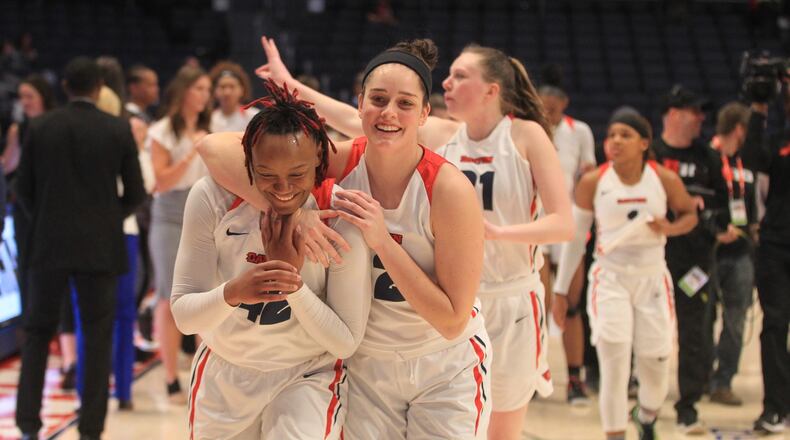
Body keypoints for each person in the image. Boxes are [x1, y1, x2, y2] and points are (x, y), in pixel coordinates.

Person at [224, 36, 573, 440]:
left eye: (406, 103)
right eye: (378, 99)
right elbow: (217, 149)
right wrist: (295, 208)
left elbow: (450, 320)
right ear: (360, 105)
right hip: (368, 365)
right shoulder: (341, 159)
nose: (389, 112)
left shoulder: (451, 186)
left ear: (424, 114)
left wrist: (382, 241)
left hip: (445, 362)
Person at [172, 79, 370, 439]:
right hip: (225, 370)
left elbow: (345, 342)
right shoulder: (211, 197)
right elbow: (184, 316)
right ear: (247, 163)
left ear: (319, 166)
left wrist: (291, 285)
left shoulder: (340, 216)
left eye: (297, 175)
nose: (282, 189)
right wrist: (233, 292)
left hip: (307, 372)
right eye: (266, 175)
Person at [14, 56, 145, 440]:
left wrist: (46, 218)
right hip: (99, 247)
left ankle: (27, 426)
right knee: (97, 334)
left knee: (37, 334)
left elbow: (22, 190)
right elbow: (136, 193)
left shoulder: (39, 127)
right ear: (98, 88)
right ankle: (90, 429)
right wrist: (107, 219)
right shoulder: (116, 129)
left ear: (65, 87)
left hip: (48, 245)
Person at [555, 111, 697, 440]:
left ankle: (646, 414)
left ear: (644, 143)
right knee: (614, 364)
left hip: (651, 279)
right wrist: (561, 292)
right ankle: (615, 434)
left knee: (656, 368)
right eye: (611, 135)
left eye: (625, 135)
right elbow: (575, 242)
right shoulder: (593, 182)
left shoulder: (664, 179)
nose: (615, 141)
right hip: (610, 277)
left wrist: (671, 227)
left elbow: (690, 214)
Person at [651, 84, 728, 435]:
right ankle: (646, 399)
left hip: (694, 261)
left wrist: (710, 218)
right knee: (649, 332)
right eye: (695, 112)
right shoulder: (649, 153)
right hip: (652, 260)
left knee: (694, 331)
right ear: (674, 114)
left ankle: (688, 406)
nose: (701, 119)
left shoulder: (709, 159)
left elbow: (726, 210)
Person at [148, 65, 212, 404]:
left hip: (204, 210)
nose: (205, 95)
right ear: (185, 91)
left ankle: (203, 374)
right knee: (167, 297)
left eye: (207, 89)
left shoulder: (208, 127)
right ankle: (170, 377)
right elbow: (161, 181)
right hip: (170, 213)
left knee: (206, 294)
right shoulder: (162, 131)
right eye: (199, 88)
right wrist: (192, 151)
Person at [539, 82, 596, 406]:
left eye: (554, 107)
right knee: (541, 304)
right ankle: (536, 373)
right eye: (544, 106)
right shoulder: (527, 127)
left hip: (571, 223)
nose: (549, 112)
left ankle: (575, 377)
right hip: (538, 221)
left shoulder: (581, 131)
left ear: (564, 103)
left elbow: (587, 175)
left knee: (572, 306)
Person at [743, 99, 790, 435]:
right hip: (776, 243)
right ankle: (775, 407)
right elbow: (752, 159)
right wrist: (758, 112)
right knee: (774, 324)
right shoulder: (778, 140)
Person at [707, 102, 758, 407]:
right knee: (702, 318)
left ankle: (723, 381)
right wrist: (714, 231)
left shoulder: (750, 162)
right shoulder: (707, 157)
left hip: (741, 253)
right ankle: (700, 375)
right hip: (709, 251)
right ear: (740, 129)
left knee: (736, 319)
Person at [208, 61, 258, 133]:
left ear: (242, 90)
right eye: (222, 87)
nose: (227, 92)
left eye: (232, 87)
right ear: (214, 91)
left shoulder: (254, 117)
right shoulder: (209, 119)